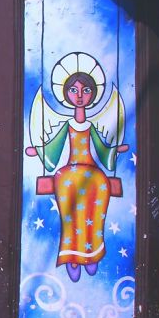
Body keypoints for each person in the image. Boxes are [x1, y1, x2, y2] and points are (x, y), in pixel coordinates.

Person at [26, 71, 128, 282]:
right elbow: (53, 145)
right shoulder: (68, 125)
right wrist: (39, 151)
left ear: (93, 94)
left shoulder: (90, 126)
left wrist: (115, 150)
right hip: (70, 171)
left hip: (91, 171)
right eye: (74, 90)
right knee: (68, 197)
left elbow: (102, 148)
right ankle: (72, 255)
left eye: (85, 90)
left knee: (98, 189)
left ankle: (92, 253)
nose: (80, 95)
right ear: (67, 94)